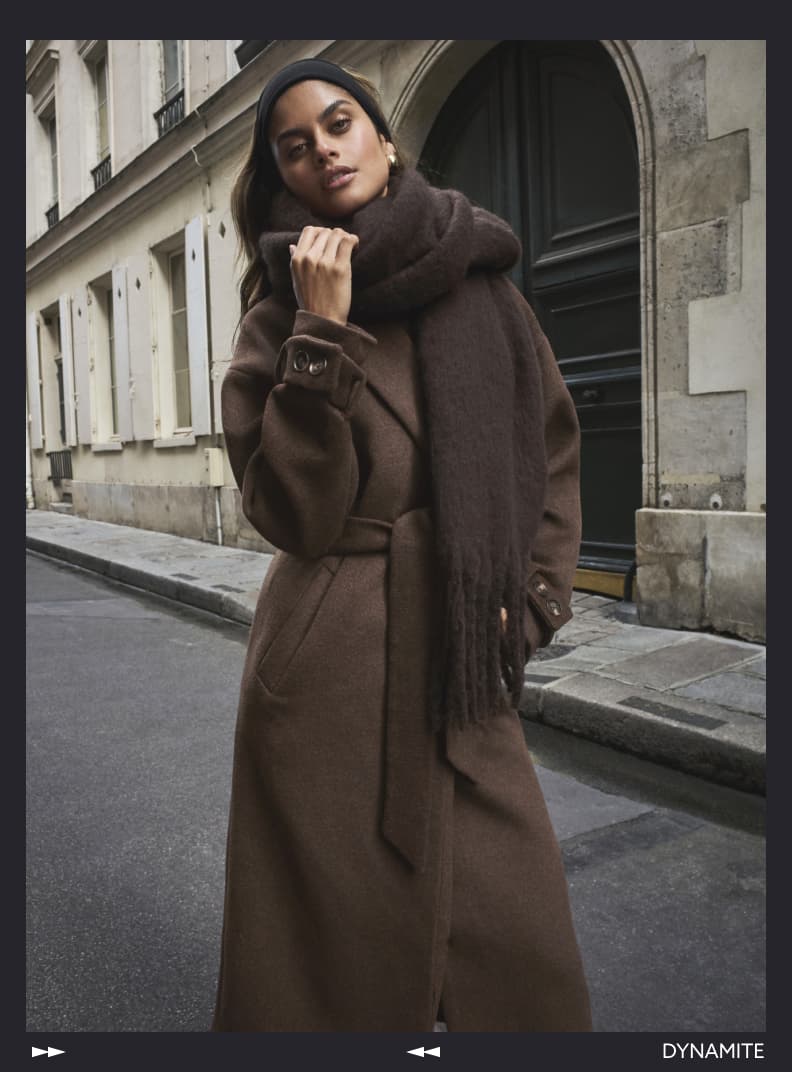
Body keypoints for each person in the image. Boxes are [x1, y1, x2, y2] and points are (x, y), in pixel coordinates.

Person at [211, 57, 593, 1033]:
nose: (323, 150)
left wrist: (539, 595)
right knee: (331, 973)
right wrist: (321, 331)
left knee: (522, 951)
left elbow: (546, 443)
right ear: (282, 177)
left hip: (460, 654)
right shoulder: (274, 314)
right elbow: (295, 513)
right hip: (326, 671)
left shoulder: (484, 281)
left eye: (338, 123)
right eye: (294, 145)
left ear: (383, 137)